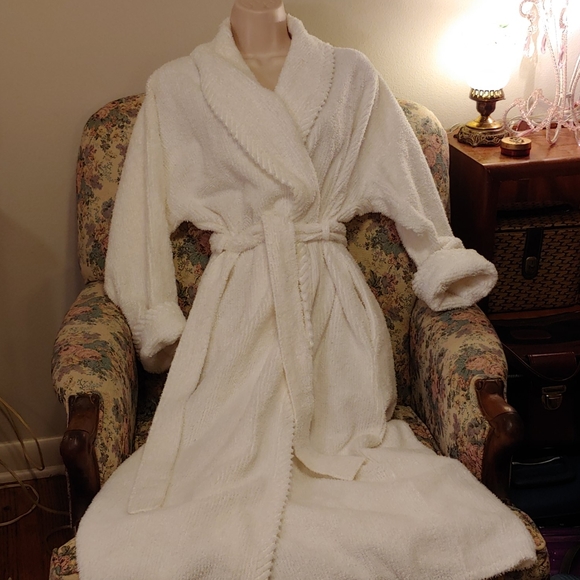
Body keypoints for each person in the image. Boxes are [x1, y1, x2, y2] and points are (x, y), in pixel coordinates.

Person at [76, 1, 537, 578]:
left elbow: (404, 177)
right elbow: (138, 220)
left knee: (347, 443)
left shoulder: (351, 74)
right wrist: (155, 313)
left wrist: (439, 254)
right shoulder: (177, 87)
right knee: (217, 458)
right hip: (236, 300)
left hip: (330, 297)